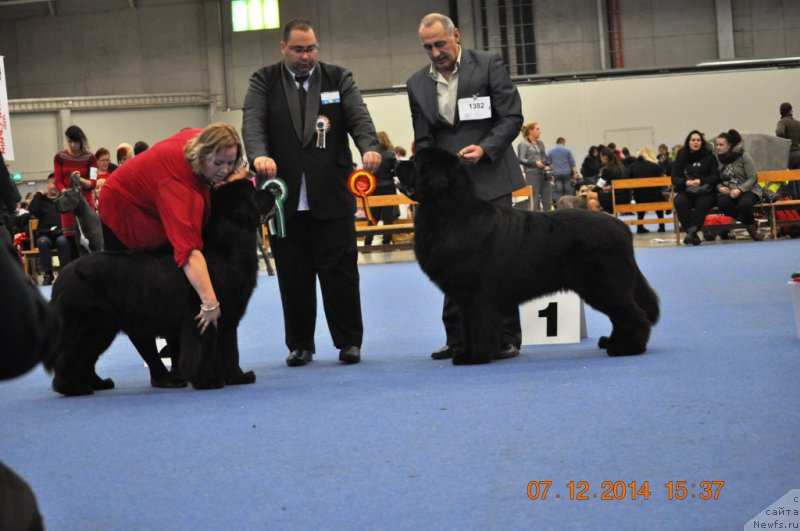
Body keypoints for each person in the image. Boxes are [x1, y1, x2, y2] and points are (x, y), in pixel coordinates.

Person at [242, 17, 381, 367]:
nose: (307, 56)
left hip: (332, 196)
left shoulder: (338, 77)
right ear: (283, 48)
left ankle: (349, 342)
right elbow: (253, 122)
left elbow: (359, 119)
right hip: (284, 200)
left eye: (312, 49)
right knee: (293, 276)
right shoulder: (264, 80)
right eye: (299, 49)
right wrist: (258, 154)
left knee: (342, 274)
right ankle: (300, 345)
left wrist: (369, 147)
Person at [406, 12, 523, 361]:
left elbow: (511, 117)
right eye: (428, 47)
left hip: (491, 177)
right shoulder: (416, 84)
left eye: (440, 43)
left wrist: (485, 148)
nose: (435, 52)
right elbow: (423, 140)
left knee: (498, 261)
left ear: (456, 35)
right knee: (450, 260)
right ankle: (457, 337)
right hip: (447, 191)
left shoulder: (488, 65)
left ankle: (505, 336)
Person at [99, 123, 244, 335]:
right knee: (149, 288)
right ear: (202, 155)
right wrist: (211, 303)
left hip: (155, 191)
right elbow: (188, 252)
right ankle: (157, 363)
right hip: (123, 208)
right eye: (218, 163)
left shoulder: (205, 138)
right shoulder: (179, 188)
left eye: (230, 163)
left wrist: (229, 175)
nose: (225, 169)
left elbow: (240, 167)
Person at [54, 125, 98, 257]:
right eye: (69, 141)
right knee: (72, 246)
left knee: (92, 244)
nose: (72, 145)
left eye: (75, 142)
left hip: (85, 206)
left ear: (81, 141)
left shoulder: (91, 158)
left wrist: (80, 180)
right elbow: (58, 182)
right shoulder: (59, 157)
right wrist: (66, 194)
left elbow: (93, 183)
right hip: (68, 206)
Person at [714, 129, 764, 241]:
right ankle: (751, 223)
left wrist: (740, 190)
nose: (718, 147)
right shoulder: (717, 159)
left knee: (744, 205)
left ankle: (754, 234)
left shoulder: (743, 156)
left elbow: (753, 178)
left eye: (721, 145)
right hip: (728, 192)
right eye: (716, 145)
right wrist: (720, 188)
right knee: (722, 203)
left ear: (729, 145)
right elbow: (715, 180)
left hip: (748, 190)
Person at [671, 130, 719, 246]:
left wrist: (700, 181)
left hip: (705, 191)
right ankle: (692, 234)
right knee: (679, 202)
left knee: (702, 204)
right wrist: (686, 182)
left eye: (698, 140)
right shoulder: (681, 156)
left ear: (702, 142)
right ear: (688, 142)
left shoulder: (710, 157)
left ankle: (691, 233)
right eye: (693, 140)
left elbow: (715, 177)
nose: (696, 142)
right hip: (687, 190)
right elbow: (674, 178)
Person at [28, 174, 72, 285]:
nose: (55, 186)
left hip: (61, 233)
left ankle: (64, 273)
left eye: (57, 183)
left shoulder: (63, 199)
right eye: (52, 183)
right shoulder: (41, 200)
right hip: (45, 234)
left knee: (63, 241)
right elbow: (33, 210)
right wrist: (38, 195)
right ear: (47, 184)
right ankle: (48, 274)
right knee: (42, 242)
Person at [363, 131, 399, 247]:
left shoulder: (371, 156)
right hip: (388, 187)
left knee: (373, 217)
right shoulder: (391, 155)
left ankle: (367, 242)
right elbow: (396, 172)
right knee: (388, 217)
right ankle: (386, 242)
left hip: (373, 188)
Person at [629, 146, 666, 233]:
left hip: (639, 197)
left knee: (641, 196)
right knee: (658, 196)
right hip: (654, 196)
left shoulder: (633, 166)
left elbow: (629, 181)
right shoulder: (655, 165)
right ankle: (661, 226)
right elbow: (660, 183)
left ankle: (640, 226)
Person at [585, 145, 630, 213]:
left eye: (601, 157)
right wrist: (608, 187)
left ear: (605, 157)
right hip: (626, 197)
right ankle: (598, 221)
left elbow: (598, 188)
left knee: (589, 195)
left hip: (616, 198)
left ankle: (589, 219)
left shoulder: (607, 170)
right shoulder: (621, 167)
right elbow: (619, 184)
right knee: (592, 203)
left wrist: (588, 191)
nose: (600, 159)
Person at [517, 122, 551, 211]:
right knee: (534, 200)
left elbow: (545, 157)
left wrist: (547, 164)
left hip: (544, 174)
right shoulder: (523, 144)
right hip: (532, 174)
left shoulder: (540, 143)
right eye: (537, 129)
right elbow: (520, 159)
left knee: (547, 199)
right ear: (531, 131)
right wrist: (535, 163)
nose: (540, 131)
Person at [776, 102, 800, 198]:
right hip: (799, 154)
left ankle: (793, 201)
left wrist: (786, 141)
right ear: (791, 111)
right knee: (798, 179)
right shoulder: (798, 123)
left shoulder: (782, 122)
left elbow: (780, 132)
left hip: (789, 156)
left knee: (790, 180)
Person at [547, 136, 577, 202]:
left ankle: (560, 205)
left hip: (556, 174)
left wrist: (551, 174)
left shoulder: (550, 151)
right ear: (563, 142)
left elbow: (548, 164)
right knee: (567, 190)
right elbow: (572, 163)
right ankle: (568, 205)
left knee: (559, 191)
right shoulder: (567, 150)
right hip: (567, 173)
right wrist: (574, 174)